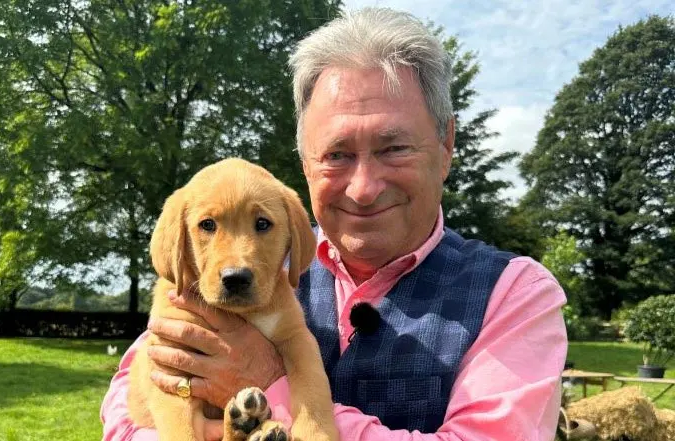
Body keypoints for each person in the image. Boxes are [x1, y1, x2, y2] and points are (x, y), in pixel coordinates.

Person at [101, 7, 567, 441]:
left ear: (446, 145)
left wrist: (272, 387)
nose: (363, 188)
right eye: (337, 154)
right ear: (305, 162)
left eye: (394, 148)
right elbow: (125, 411)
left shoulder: (515, 294)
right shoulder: (251, 265)